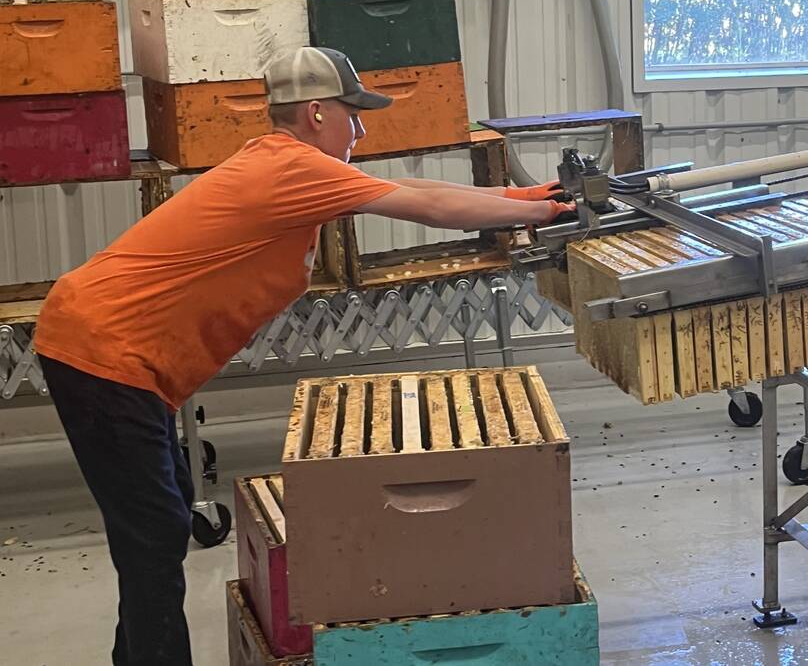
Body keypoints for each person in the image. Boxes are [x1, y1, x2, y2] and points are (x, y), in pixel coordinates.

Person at [32, 46, 571, 666]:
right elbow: (427, 207)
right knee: (151, 540)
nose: (362, 130)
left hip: (113, 352)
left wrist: (525, 196)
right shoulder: (292, 168)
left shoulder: (287, 165)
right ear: (316, 111)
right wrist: (548, 213)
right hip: (103, 352)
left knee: (159, 522)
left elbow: (407, 186)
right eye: (354, 114)